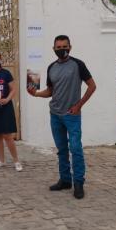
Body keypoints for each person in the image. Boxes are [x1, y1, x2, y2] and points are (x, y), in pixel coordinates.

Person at [27, 35, 96, 199]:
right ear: (54, 49)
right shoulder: (52, 67)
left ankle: (78, 183)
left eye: (64, 46)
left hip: (72, 115)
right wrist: (35, 93)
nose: (61, 50)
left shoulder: (78, 65)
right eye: (58, 48)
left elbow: (92, 86)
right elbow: (51, 91)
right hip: (55, 115)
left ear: (70, 47)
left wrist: (79, 106)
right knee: (62, 150)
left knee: (76, 149)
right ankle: (65, 180)